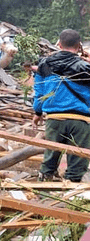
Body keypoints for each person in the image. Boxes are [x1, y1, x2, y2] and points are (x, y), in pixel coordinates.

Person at [33, 29, 90, 182]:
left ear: (58, 44)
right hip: (81, 122)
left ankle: (41, 193)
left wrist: (37, 113)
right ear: (79, 46)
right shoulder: (86, 67)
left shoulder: (44, 64)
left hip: (54, 119)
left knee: (49, 161)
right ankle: (72, 196)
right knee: (77, 164)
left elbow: (39, 93)